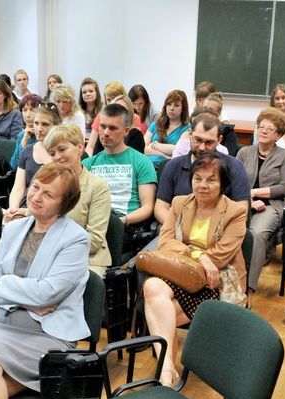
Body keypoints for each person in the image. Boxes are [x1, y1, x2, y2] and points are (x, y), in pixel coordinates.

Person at [0, 163, 89, 399]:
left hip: (50, 333)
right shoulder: (13, 229)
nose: (36, 196)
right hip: (4, 324)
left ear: (63, 204)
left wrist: (5, 281)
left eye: (48, 194)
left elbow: (47, 293)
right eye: (35, 187)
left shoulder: (75, 239)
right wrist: (27, 301)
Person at [142, 152, 247, 386]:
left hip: (216, 279)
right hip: (181, 271)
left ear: (223, 185)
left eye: (211, 180)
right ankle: (167, 369)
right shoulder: (180, 203)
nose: (202, 185)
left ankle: (165, 372)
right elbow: (165, 241)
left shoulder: (235, 211)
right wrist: (198, 254)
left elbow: (222, 255)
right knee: (151, 286)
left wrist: (204, 259)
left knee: (161, 310)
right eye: (197, 179)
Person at [83, 104, 156, 250]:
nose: (106, 133)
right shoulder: (87, 164)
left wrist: (122, 221)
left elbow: (148, 207)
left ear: (126, 131)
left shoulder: (141, 162)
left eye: (113, 128)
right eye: (103, 127)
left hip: (125, 226)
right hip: (93, 223)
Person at [237, 108, 285, 292]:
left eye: (269, 129)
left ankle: (247, 289)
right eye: (261, 127)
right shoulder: (244, 152)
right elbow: (234, 182)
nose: (263, 131)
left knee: (257, 234)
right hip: (242, 203)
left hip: (270, 206)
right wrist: (249, 198)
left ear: (278, 135)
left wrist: (255, 192)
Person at [156, 113, 250, 224]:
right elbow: (160, 208)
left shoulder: (234, 167)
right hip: (177, 228)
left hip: (219, 230)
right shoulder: (173, 166)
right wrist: (182, 227)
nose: (202, 147)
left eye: (209, 142)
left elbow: (242, 210)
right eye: (198, 140)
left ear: (219, 140)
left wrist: (207, 230)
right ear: (190, 134)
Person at [44, 124, 111, 276]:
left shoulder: (98, 186)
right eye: (52, 153)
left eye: (62, 149)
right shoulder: (47, 181)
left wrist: (52, 245)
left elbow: (94, 240)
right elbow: (32, 221)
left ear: (80, 148)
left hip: (86, 259)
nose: (57, 157)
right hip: (47, 255)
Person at [6, 105, 59, 218]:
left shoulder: (61, 154)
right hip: (27, 204)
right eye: (36, 123)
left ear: (56, 126)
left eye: (45, 124)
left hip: (50, 210)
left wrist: (26, 212)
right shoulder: (28, 151)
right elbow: (18, 187)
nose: (39, 129)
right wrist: (13, 209)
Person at [143, 89, 190, 166]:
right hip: (149, 166)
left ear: (183, 109)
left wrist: (154, 145)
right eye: (169, 104)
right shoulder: (155, 124)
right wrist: (165, 156)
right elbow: (142, 148)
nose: (171, 108)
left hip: (170, 167)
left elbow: (178, 150)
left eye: (176, 105)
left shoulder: (187, 129)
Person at [10, 94, 43, 169]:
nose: (27, 115)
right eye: (24, 110)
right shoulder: (22, 135)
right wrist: (24, 141)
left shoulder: (47, 133)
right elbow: (13, 166)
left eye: (32, 110)